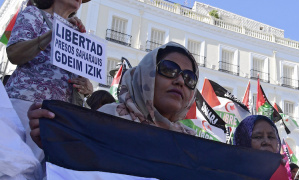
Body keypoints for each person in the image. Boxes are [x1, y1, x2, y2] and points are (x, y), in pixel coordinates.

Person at [29, 41, 199, 149]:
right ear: (146, 76)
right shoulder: (108, 117)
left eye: (189, 78)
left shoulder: (193, 144)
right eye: (169, 69)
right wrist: (57, 142)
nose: (180, 81)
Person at [6, 0, 93, 160]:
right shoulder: (34, 14)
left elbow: (77, 73)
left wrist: (86, 86)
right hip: (25, 105)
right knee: (14, 166)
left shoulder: (76, 31)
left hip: (58, 115)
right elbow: (14, 53)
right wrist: (54, 32)